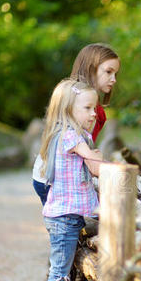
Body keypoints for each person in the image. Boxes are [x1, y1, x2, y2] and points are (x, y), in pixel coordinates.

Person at [39, 78, 103, 281]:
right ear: (68, 110)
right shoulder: (70, 136)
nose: (93, 114)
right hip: (64, 217)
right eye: (88, 108)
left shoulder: (78, 135)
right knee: (60, 272)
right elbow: (97, 167)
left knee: (65, 270)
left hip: (69, 215)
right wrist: (101, 158)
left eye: (94, 108)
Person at [32, 43, 120, 204]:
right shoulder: (88, 112)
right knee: (67, 225)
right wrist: (121, 172)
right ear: (91, 68)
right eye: (108, 72)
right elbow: (91, 162)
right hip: (54, 179)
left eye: (115, 73)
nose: (113, 79)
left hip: (46, 175)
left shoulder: (73, 99)